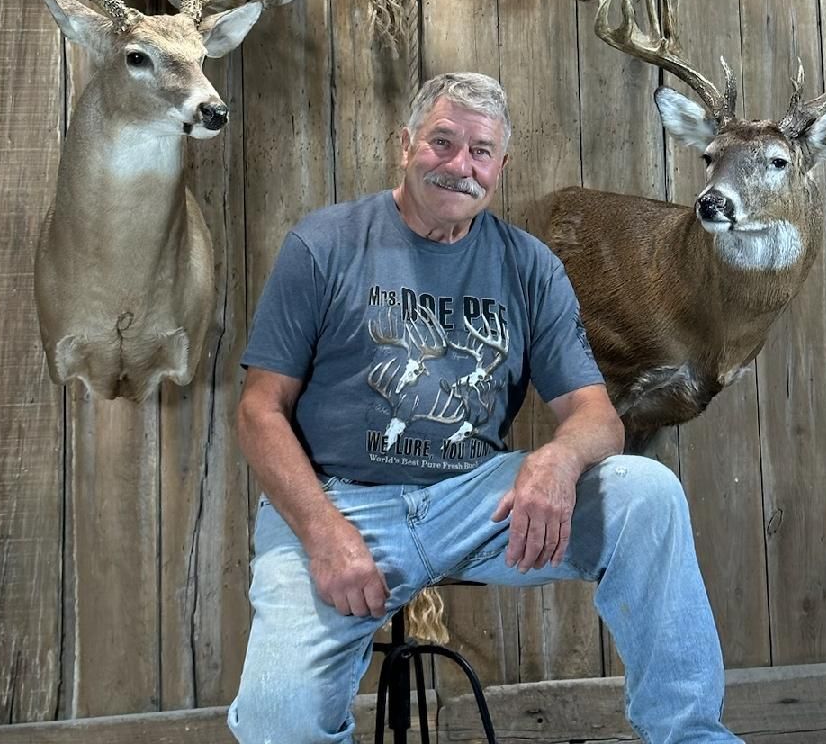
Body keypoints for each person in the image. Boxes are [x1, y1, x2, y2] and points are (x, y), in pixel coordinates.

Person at [228, 72, 742, 744]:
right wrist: (324, 535)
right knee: (279, 724)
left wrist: (558, 459)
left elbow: (598, 416)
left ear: (501, 167)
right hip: (336, 505)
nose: (459, 166)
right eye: (443, 143)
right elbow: (258, 411)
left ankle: (692, 736)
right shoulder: (324, 245)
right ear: (406, 144)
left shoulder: (528, 266)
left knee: (645, 493)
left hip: (474, 503)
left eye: (480, 152)